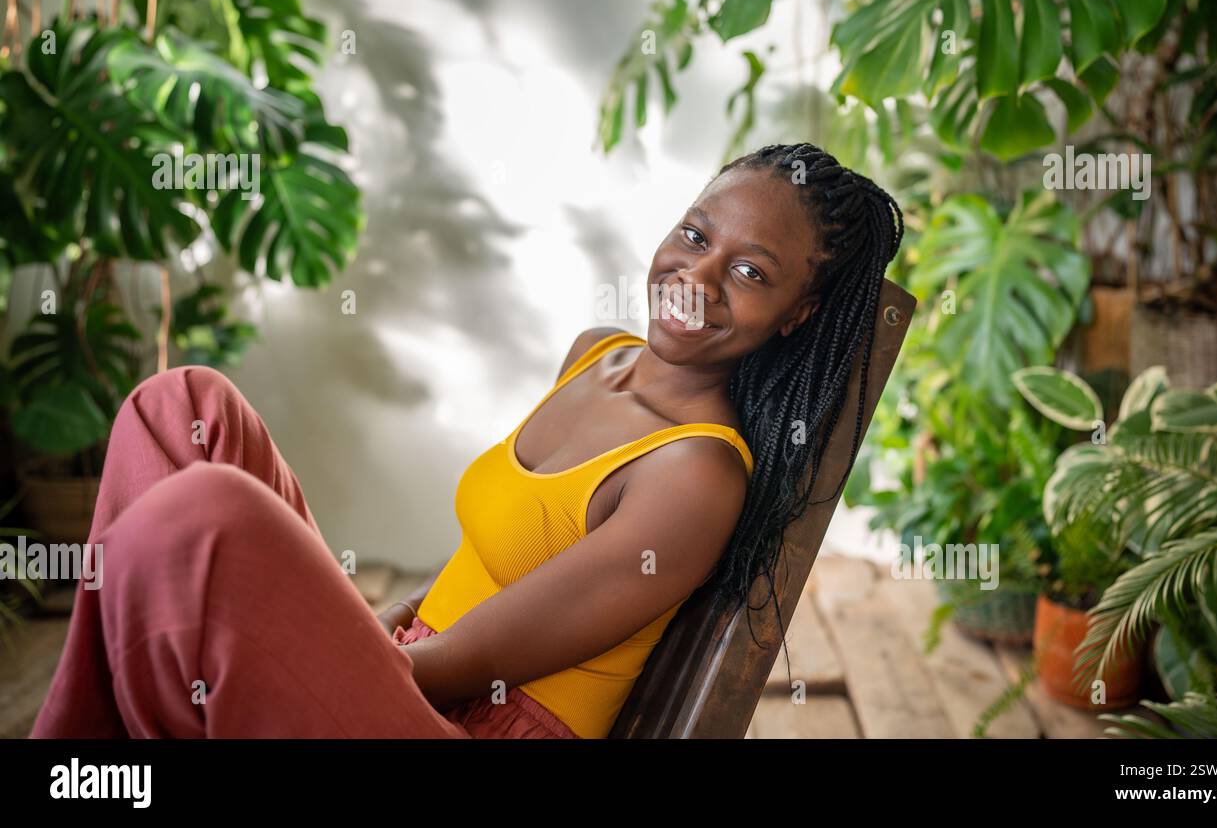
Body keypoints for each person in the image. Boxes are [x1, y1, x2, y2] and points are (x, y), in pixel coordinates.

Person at [29, 142, 902, 739]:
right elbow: (476, 583)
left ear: (800, 314)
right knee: (181, 403)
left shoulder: (694, 474)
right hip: (412, 671)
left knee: (205, 521)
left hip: (459, 722)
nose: (697, 276)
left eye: (751, 273)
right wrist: (376, 625)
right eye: (695, 235)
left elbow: (449, 676)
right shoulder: (597, 357)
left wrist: (344, 635)